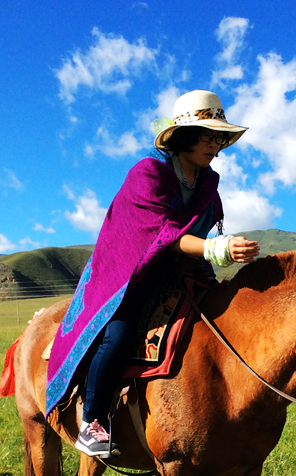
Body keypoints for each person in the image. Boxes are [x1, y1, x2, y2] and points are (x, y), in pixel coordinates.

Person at [45, 90, 260, 457]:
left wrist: (213, 251)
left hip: (181, 269)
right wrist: (215, 249)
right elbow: (161, 234)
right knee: (121, 331)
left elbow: (196, 231)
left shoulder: (208, 182)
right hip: (128, 273)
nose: (214, 144)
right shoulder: (148, 173)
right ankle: (92, 420)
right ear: (184, 137)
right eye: (206, 134)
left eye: (218, 136)